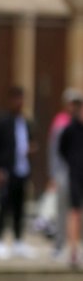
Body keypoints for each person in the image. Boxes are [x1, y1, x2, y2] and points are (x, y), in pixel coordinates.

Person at [0, 85, 36, 259]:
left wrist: (31, 150)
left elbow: (30, 142)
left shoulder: (26, 123)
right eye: (16, 99)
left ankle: (18, 242)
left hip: (22, 170)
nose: (19, 102)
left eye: (21, 99)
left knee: (20, 208)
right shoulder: (2, 122)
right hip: (6, 171)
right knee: (3, 206)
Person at [48, 88, 82, 259]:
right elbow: (54, 151)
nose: (73, 107)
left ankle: (75, 246)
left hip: (78, 173)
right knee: (62, 209)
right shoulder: (60, 122)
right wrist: (53, 174)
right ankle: (59, 245)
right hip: (62, 172)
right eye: (71, 103)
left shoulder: (79, 123)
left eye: (77, 103)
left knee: (76, 211)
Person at [59, 92, 83, 269]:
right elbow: (62, 150)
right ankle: (73, 251)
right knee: (74, 211)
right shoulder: (70, 129)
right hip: (75, 175)